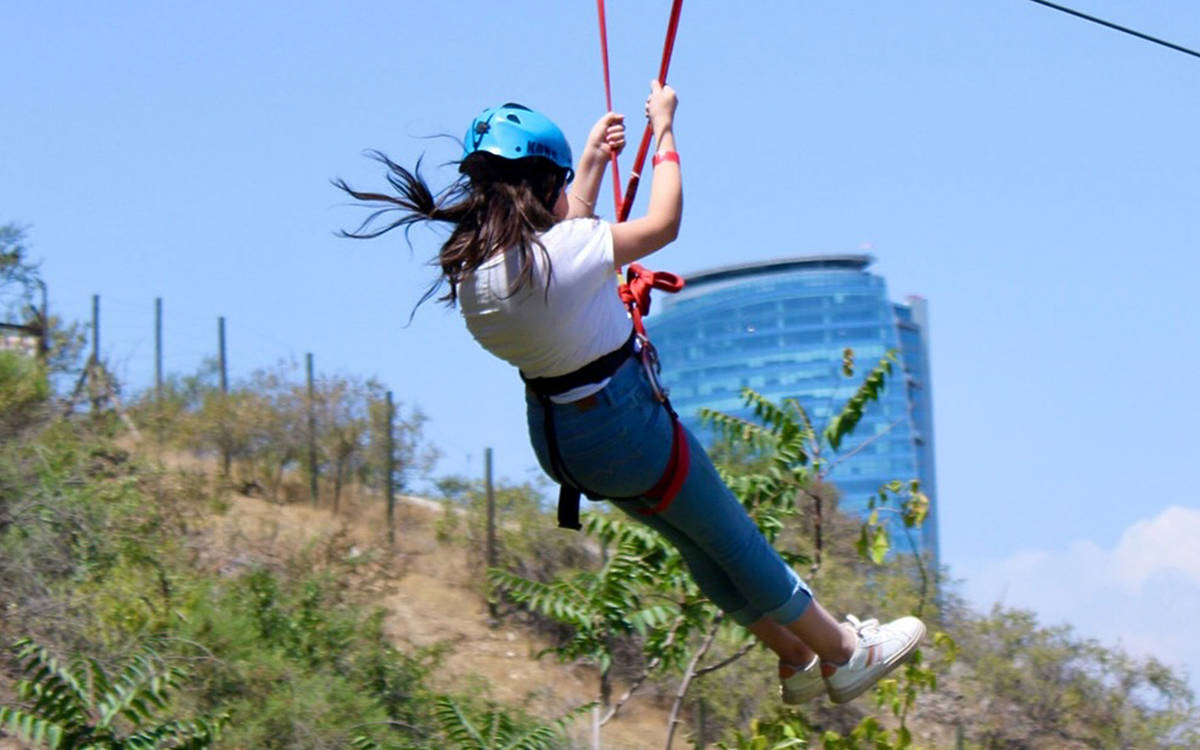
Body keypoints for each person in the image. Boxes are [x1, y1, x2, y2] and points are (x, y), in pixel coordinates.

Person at [336, 82, 925, 704]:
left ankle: (794, 655)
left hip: (568, 442)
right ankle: (842, 653)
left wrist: (589, 162)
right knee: (731, 538)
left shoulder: (473, 273)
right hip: (624, 426)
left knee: (696, 543)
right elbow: (662, 223)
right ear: (540, 185)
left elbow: (567, 239)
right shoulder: (561, 250)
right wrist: (665, 130)